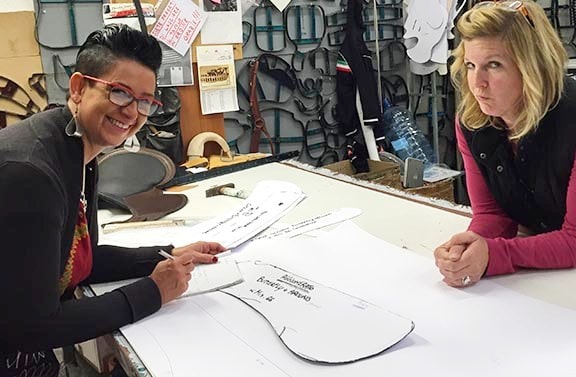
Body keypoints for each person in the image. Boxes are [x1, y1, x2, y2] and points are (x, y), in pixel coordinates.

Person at [0, 24, 226, 376]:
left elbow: (74, 257)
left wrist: (165, 254)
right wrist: (152, 292)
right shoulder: (32, 175)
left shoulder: (75, 148)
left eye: (146, 102)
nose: (132, 113)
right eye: (119, 93)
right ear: (78, 88)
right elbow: (33, 326)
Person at [434, 0, 576, 287]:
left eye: (494, 65)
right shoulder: (473, 123)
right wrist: (469, 248)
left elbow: (574, 241)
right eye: (471, 65)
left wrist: (495, 255)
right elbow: (492, 214)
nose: (477, 83)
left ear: (532, 66)